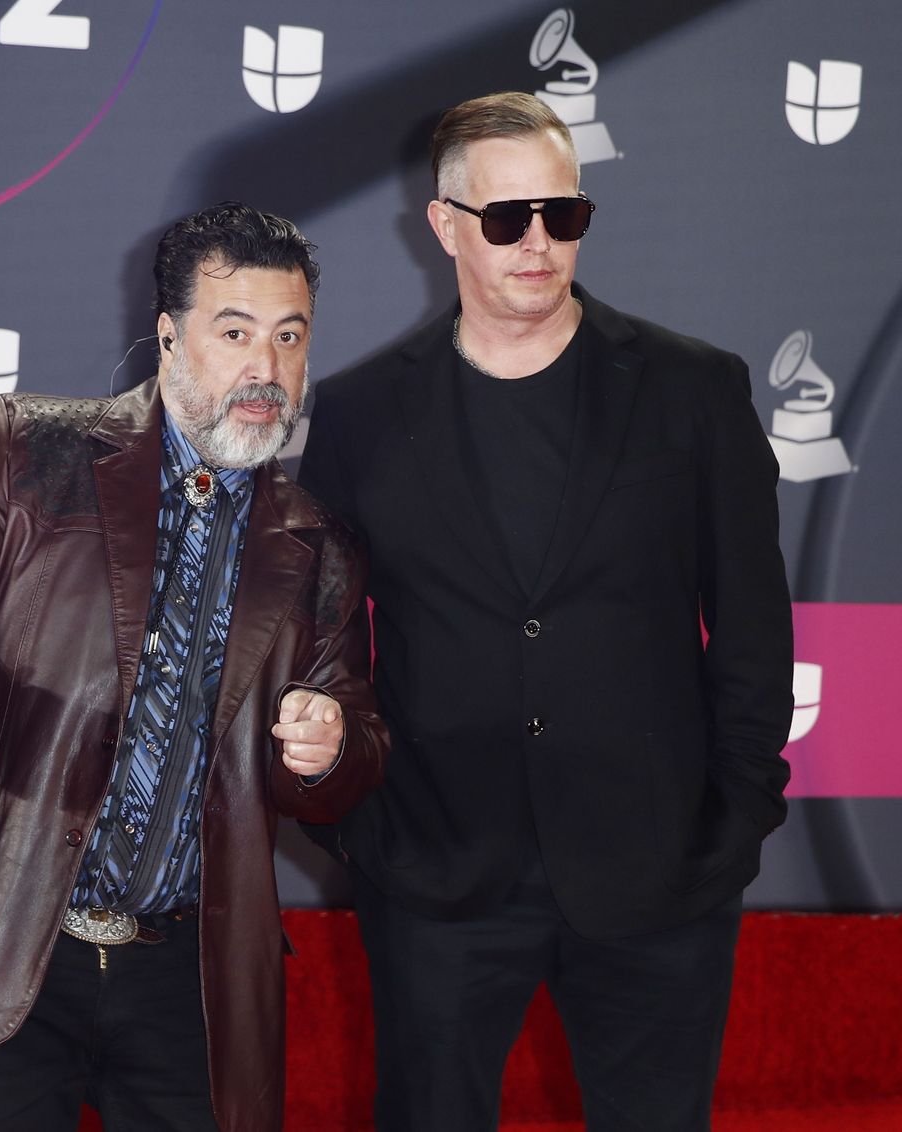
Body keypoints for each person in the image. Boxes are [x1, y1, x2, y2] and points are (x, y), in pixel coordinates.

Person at [298, 92, 794, 1131]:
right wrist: (362, 827)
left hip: (660, 876)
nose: (537, 243)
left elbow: (752, 623)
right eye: (506, 217)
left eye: (561, 215)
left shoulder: (692, 391)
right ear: (443, 226)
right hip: (435, 875)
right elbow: (319, 641)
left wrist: (734, 823)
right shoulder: (356, 414)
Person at [0, 202, 389, 1132]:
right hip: (3, 933)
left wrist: (330, 746)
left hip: (191, 981)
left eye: (289, 336)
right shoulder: (28, 446)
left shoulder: (319, 545)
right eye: (235, 331)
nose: (265, 368)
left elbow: (349, 751)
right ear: (170, 339)